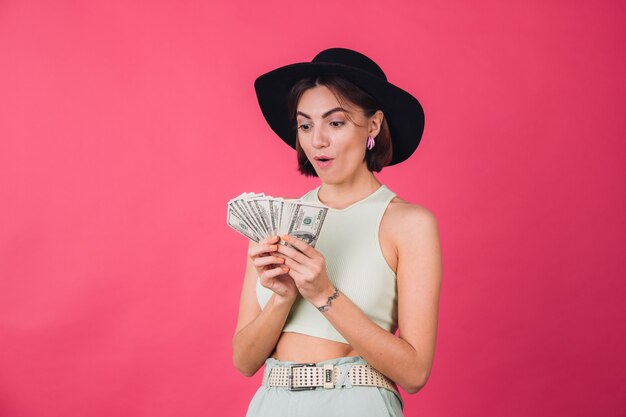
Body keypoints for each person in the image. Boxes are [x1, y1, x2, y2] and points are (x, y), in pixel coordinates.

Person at [232, 48, 442, 417]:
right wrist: (283, 298)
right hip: (273, 403)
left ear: (373, 126)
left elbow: (414, 373)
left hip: (358, 402)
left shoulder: (408, 224)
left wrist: (323, 293)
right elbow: (245, 361)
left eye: (336, 123)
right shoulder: (276, 222)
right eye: (306, 125)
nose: (317, 142)